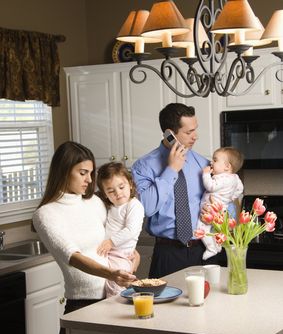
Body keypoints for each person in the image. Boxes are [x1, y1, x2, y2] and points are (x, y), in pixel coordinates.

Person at [32, 141, 137, 334]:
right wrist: (111, 273)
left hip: (114, 297)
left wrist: (132, 260)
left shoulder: (95, 203)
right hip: (83, 304)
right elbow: (73, 257)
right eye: (83, 173)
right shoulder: (45, 214)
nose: (90, 180)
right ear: (64, 171)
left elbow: (112, 244)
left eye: (91, 173)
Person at [131, 103, 212, 279]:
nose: (195, 136)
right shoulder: (143, 167)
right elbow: (147, 208)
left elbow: (222, 202)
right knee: (165, 306)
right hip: (167, 253)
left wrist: (215, 211)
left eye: (195, 130)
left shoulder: (204, 164)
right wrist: (171, 169)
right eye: (188, 132)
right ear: (170, 133)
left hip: (204, 250)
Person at [96, 162, 144, 297]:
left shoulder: (134, 205)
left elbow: (131, 230)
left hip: (121, 255)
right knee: (108, 282)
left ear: (130, 184)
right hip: (110, 253)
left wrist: (110, 242)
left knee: (116, 286)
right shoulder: (111, 207)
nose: (118, 193)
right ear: (105, 194)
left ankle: (114, 307)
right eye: (111, 191)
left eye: (121, 187)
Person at [196, 147, 244, 260]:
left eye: (215, 160)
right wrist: (230, 197)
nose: (211, 162)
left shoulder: (222, 179)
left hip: (212, 209)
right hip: (222, 208)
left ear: (227, 166)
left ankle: (211, 248)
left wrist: (206, 174)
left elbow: (211, 186)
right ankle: (217, 246)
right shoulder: (235, 178)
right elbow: (240, 189)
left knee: (202, 229)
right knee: (215, 230)